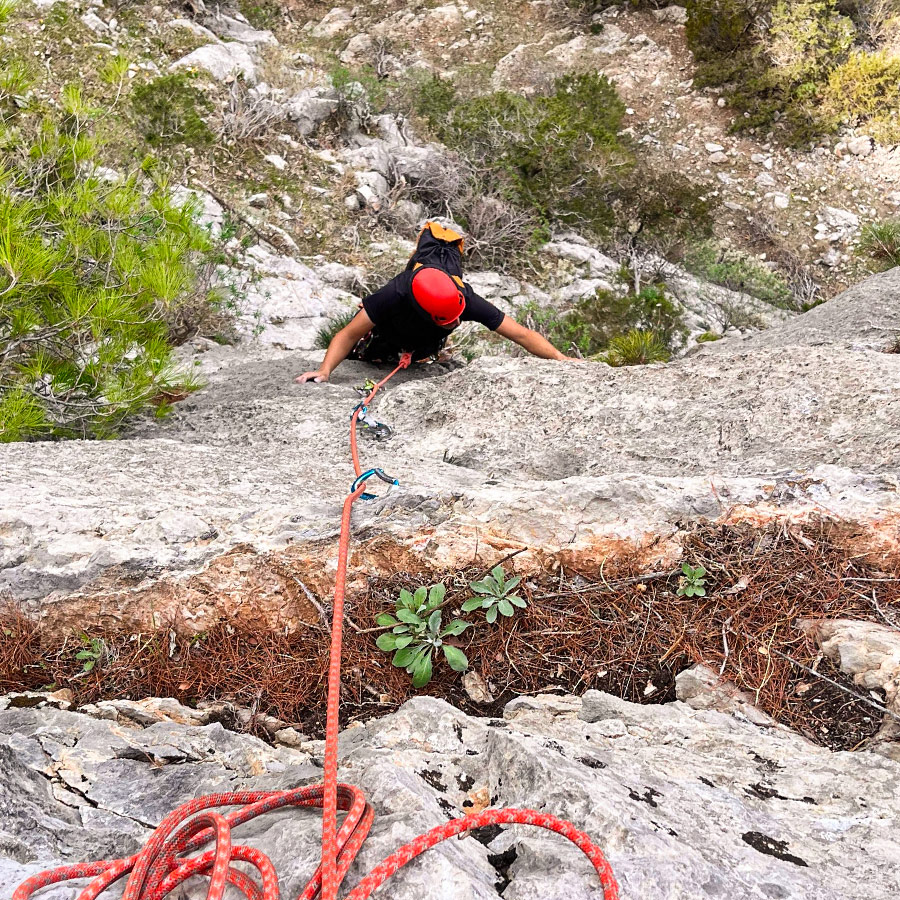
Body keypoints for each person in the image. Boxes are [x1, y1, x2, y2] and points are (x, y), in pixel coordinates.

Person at [296, 221, 572, 384]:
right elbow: (349, 334)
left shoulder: (467, 298)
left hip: (426, 335)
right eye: (448, 321)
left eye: (457, 318)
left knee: (422, 347)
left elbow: (521, 334)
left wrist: (561, 359)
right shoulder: (395, 293)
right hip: (393, 325)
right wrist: (325, 370)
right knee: (371, 347)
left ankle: (429, 349)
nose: (455, 323)